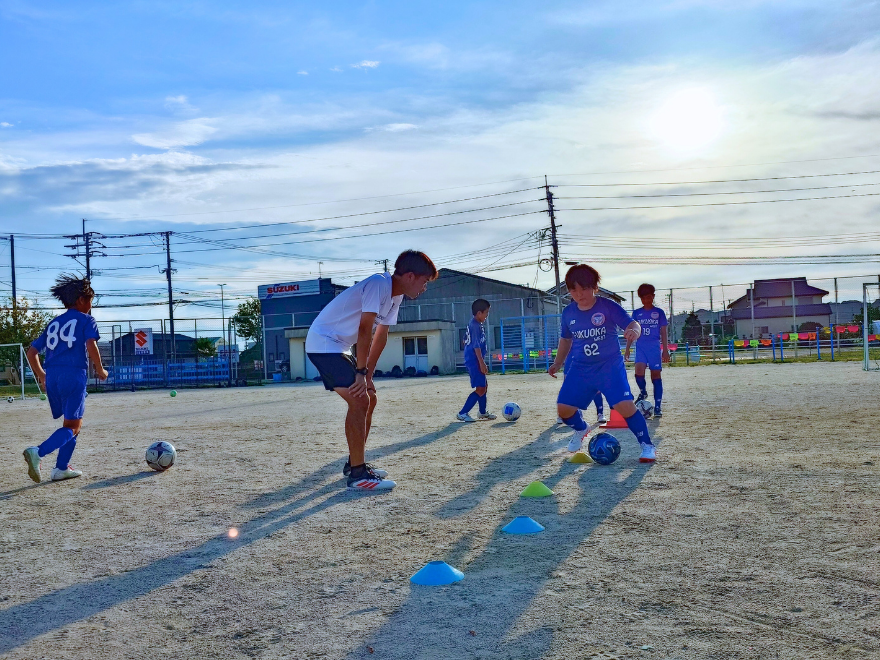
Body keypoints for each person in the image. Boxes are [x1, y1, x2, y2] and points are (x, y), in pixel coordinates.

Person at [306, 250, 438, 491]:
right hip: (324, 343)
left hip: (339, 347)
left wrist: (367, 375)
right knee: (359, 401)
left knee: (369, 398)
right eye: (424, 281)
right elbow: (365, 329)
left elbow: (381, 336)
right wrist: (360, 371)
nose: (424, 288)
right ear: (409, 276)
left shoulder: (395, 297)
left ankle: (355, 463)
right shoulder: (379, 283)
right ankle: (357, 475)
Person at [549, 264, 656, 462]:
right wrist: (557, 362)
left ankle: (647, 445)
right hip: (581, 368)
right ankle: (582, 429)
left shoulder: (607, 306)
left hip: (609, 367)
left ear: (595, 287)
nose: (579, 294)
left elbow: (633, 323)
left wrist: (635, 331)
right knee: (563, 409)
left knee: (625, 406)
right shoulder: (568, 313)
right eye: (574, 290)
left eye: (584, 288)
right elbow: (565, 340)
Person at [22, 275, 108, 483]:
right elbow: (90, 345)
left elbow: (31, 351)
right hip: (73, 375)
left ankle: (61, 468)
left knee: (71, 423)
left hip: (52, 377)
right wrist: (100, 369)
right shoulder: (86, 320)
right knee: (73, 426)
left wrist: (41, 374)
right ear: (80, 300)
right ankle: (38, 451)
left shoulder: (54, 323)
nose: (90, 306)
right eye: (90, 301)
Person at [625, 283, 669, 418]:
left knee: (656, 376)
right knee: (638, 372)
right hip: (641, 347)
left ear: (653, 296)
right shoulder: (637, 313)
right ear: (641, 298)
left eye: (649, 297)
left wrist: (665, 350)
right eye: (643, 298)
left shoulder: (659, 313)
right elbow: (631, 332)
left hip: (654, 347)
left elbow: (664, 332)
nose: (646, 300)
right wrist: (627, 349)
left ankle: (658, 406)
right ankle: (643, 392)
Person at [457, 299, 497, 422]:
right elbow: (476, 346)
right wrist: (481, 362)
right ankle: (463, 413)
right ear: (479, 313)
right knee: (480, 388)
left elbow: (464, 340)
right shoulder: (475, 325)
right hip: (474, 361)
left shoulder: (474, 324)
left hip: (473, 359)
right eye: (486, 312)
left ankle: (482, 412)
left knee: (484, 385)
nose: (487, 315)